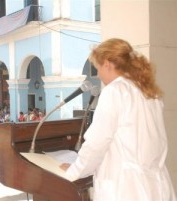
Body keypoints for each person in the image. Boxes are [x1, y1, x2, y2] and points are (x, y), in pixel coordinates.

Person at [60, 38, 176, 201]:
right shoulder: (149, 92)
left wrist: (74, 170)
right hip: (156, 186)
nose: (99, 75)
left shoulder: (115, 91)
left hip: (127, 189)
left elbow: (97, 143)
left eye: (97, 68)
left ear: (107, 63)